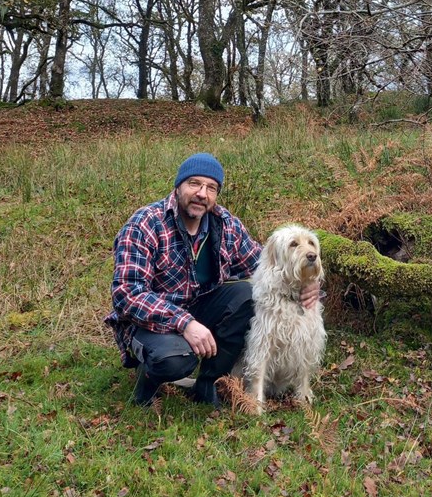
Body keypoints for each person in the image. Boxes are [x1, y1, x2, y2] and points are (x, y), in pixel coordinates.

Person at [105, 153, 321, 407]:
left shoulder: (225, 224)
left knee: (246, 294)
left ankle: (208, 383)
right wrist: (184, 323)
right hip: (151, 322)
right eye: (194, 184)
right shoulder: (144, 224)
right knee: (175, 360)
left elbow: (265, 267)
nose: (202, 194)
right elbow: (127, 294)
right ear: (178, 186)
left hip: (199, 309)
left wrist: (310, 285)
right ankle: (147, 379)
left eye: (211, 188)